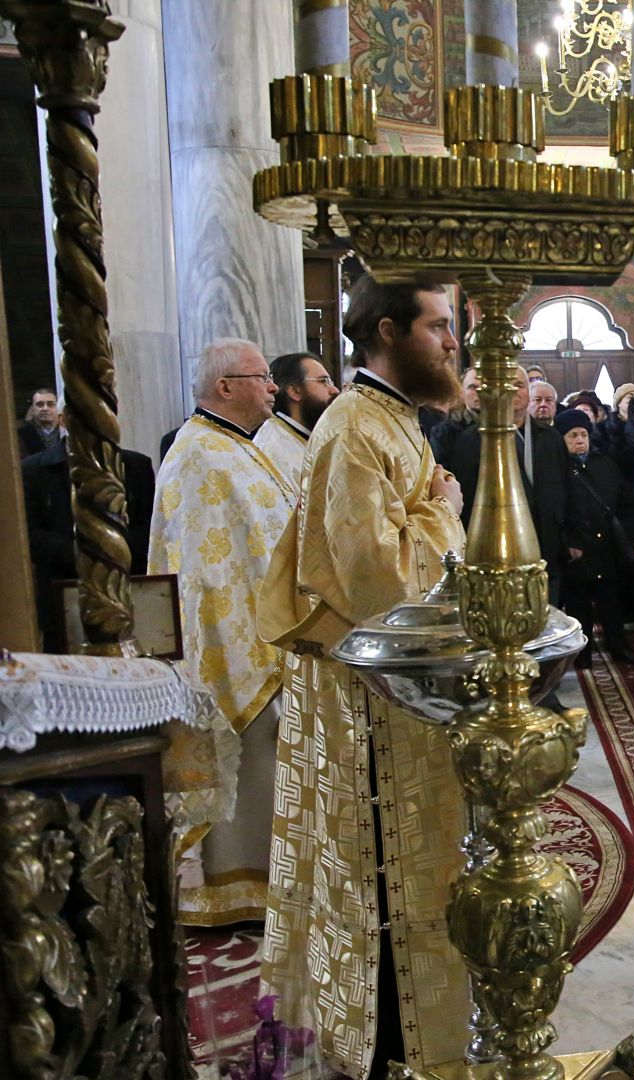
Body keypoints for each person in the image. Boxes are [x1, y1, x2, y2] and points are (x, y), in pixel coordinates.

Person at [256, 274, 469, 1077]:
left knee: (412, 863)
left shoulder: (394, 419)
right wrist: (445, 507)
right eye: (438, 326)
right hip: (367, 691)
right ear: (387, 331)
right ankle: (385, 1039)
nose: (451, 342)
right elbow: (377, 579)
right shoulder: (353, 426)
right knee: (378, 863)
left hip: (398, 681)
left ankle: (414, 1029)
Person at [148, 338, 296, 924]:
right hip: (235, 642)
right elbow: (208, 568)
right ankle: (238, 892)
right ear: (226, 387)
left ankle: (268, 883)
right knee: (248, 767)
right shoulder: (201, 455)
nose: (273, 387)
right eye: (262, 377)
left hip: (266, 629)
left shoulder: (236, 446)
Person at [441, 371, 570, 606]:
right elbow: (468, 498)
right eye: (508, 385)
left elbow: (565, 489)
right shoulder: (472, 439)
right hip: (495, 547)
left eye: (519, 385)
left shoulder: (550, 438)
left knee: (546, 618)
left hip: (547, 544)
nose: (514, 391)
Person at [22, 426, 155, 652]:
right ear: (65, 420)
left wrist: (115, 553)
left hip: (127, 583)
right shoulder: (34, 470)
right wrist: (85, 557)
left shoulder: (136, 466)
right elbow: (30, 532)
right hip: (63, 584)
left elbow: (150, 525)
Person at [558, 407, 634, 665]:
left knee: (611, 603)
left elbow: (627, 502)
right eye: (572, 435)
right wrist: (568, 543)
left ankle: (619, 647)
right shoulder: (557, 468)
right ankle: (581, 653)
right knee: (578, 605)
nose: (580, 440)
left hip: (607, 546)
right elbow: (555, 509)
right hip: (578, 549)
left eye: (583, 434)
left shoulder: (604, 463)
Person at [255, 351, 339, 488]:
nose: (334, 390)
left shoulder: (307, 437)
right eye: (323, 381)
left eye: (331, 382)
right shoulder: (273, 449)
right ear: (294, 391)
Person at [428, 365, 480, 461]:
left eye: (483, 386)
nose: (480, 391)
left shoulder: (505, 428)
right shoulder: (443, 433)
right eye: (472, 387)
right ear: (462, 393)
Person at [18, 387, 63, 457]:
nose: (45, 408)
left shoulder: (67, 432)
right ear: (32, 409)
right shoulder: (21, 435)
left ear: (58, 407)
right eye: (40, 404)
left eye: (50, 404)